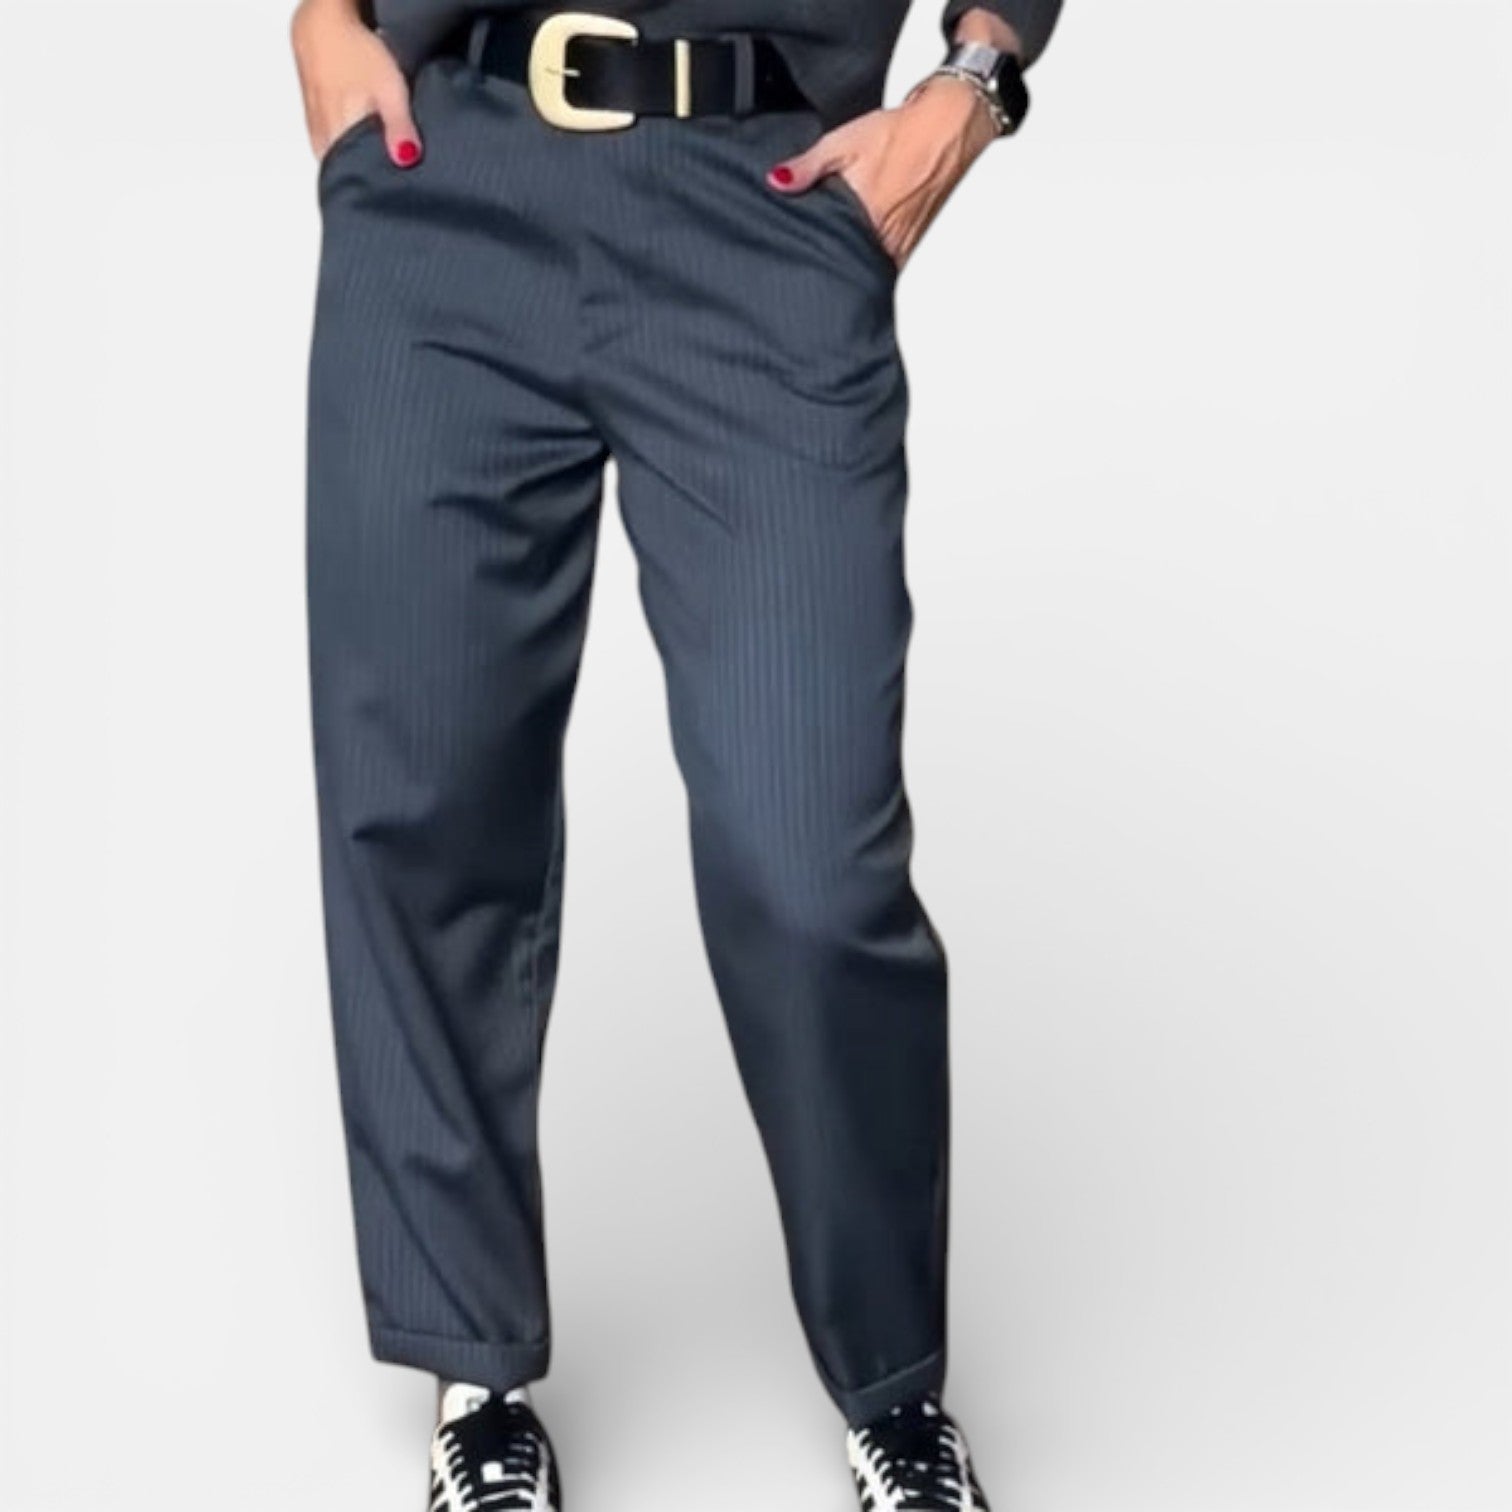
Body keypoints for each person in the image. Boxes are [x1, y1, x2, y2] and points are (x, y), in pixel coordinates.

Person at [291, 0, 1062, 1505]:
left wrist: (972, 83)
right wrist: (323, 16)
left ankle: (894, 1382)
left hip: (762, 196)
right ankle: (473, 1370)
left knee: (811, 855)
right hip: (447, 170)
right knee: (424, 801)